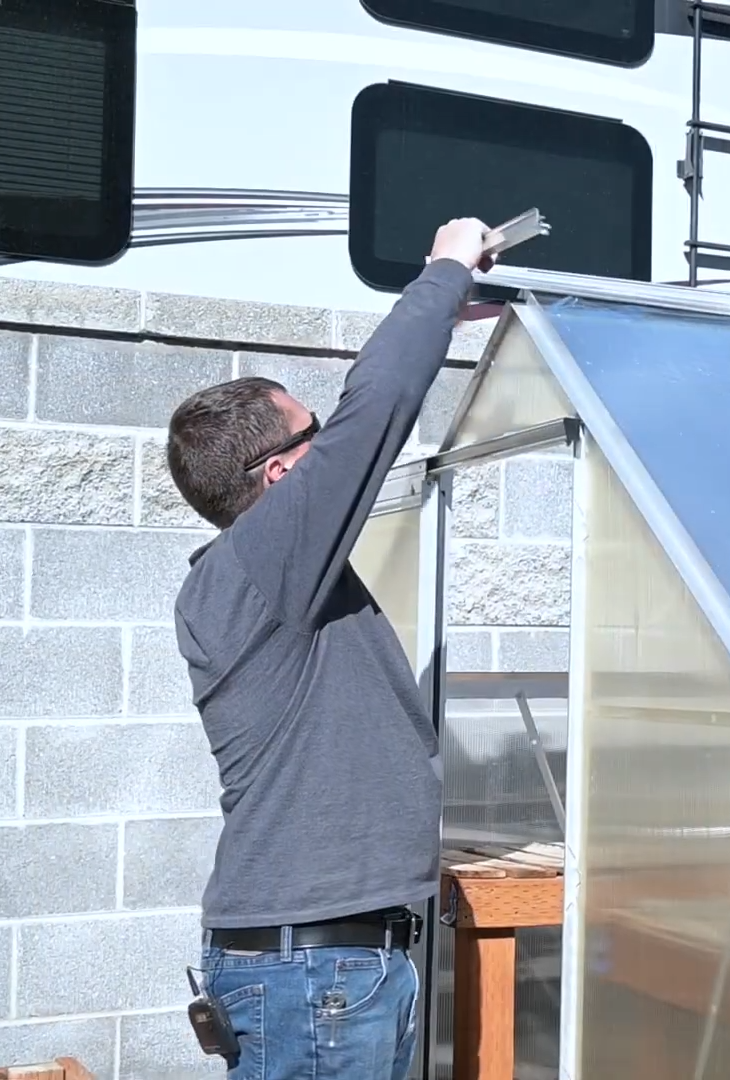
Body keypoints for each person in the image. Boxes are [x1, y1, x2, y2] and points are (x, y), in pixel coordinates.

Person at [164, 218, 492, 1080]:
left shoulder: (260, 576)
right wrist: (443, 272)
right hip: (316, 979)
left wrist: (449, 307)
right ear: (279, 476)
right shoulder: (262, 562)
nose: (332, 446)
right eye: (314, 434)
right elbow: (376, 405)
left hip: (324, 972)